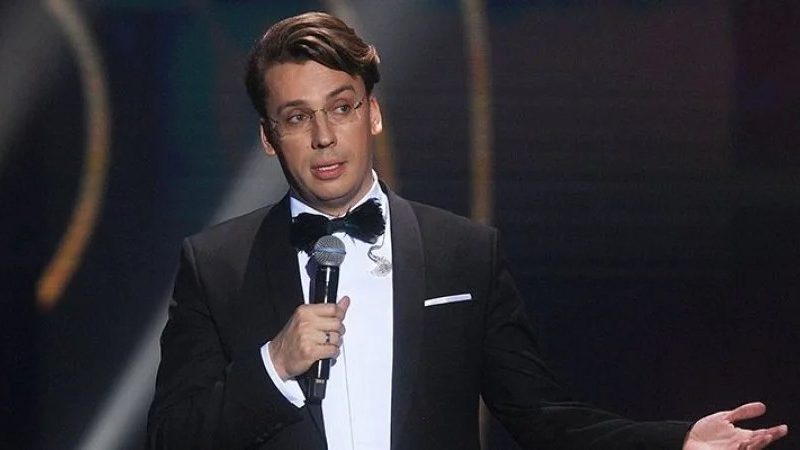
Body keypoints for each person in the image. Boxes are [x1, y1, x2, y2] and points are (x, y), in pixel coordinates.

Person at [146, 11, 788, 450]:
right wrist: (275, 366)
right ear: (268, 138)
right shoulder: (216, 265)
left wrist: (677, 440)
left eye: (341, 107)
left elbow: (540, 418)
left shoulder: (464, 253)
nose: (323, 136)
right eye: (295, 117)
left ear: (372, 114)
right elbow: (171, 436)